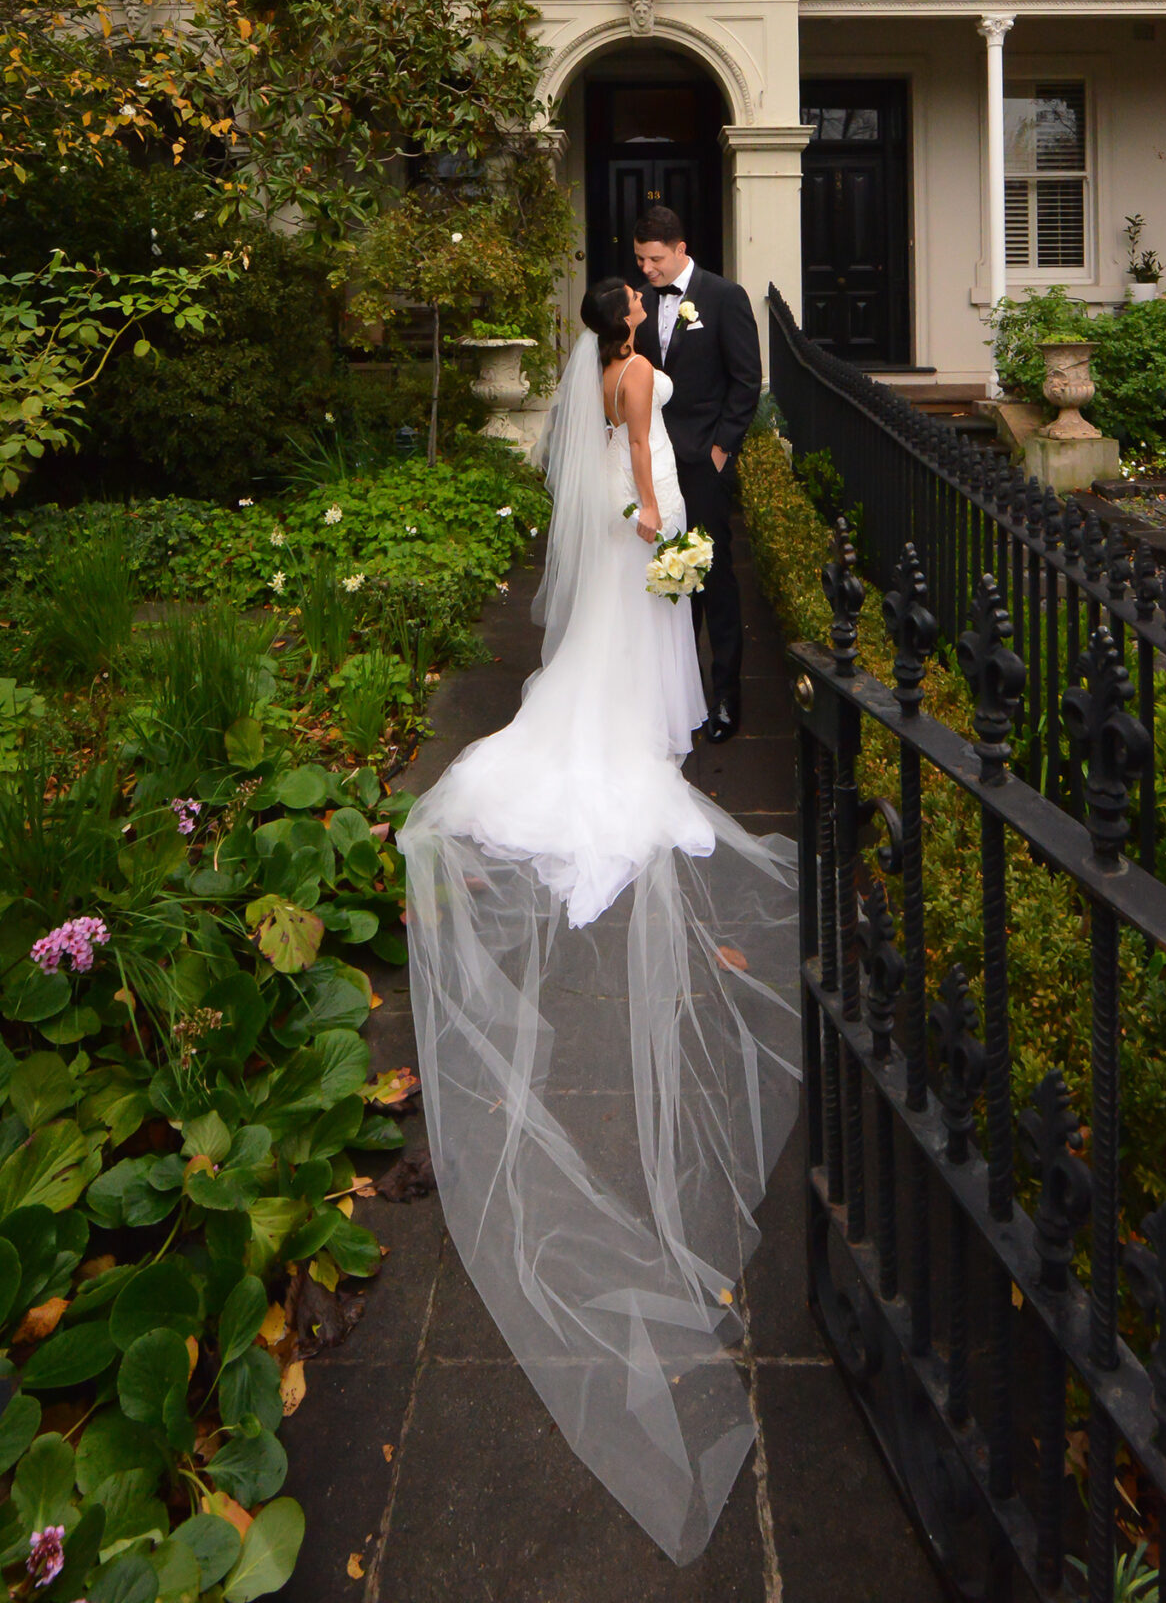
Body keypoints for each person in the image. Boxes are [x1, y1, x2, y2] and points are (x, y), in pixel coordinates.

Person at [397, 280, 800, 1565]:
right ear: (625, 325)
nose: (640, 298)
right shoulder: (631, 382)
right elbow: (639, 455)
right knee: (634, 681)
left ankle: (619, 737)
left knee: (609, 672)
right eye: (633, 296)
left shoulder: (609, 365)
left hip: (629, 521)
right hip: (648, 518)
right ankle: (626, 751)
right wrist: (661, 522)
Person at [632, 206, 762, 743]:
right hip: (655, 463)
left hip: (702, 462)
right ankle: (674, 694)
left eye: (655, 259)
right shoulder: (636, 304)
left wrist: (719, 451)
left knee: (714, 579)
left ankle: (726, 695)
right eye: (640, 259)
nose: (647, 270)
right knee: (661, 578)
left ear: (681, 248)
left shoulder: (724, 297)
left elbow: (746, 380)